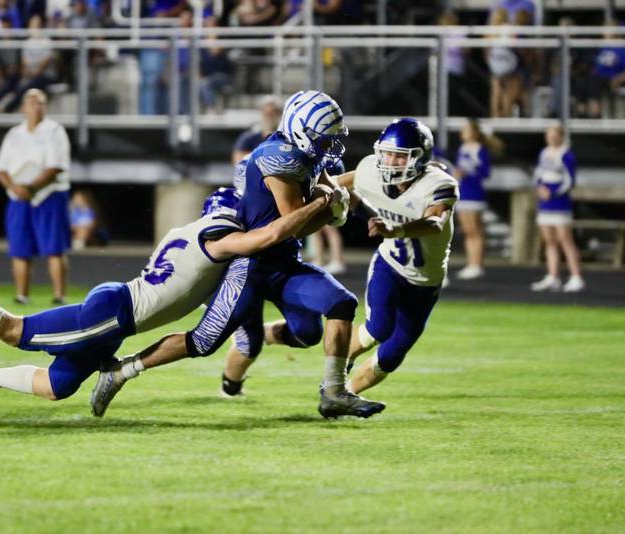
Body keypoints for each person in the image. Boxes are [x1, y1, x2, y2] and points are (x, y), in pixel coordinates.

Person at [0, 188, 331, 411]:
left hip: (118, 309)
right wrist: (319, 205)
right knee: (16, 332)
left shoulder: (191, 229)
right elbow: (263, 238)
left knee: (58, 387)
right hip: (114, 315)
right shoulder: (220, 237)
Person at [91, 91, 386, 420]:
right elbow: (293, 224)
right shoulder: (279, 158)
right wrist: (331, 208)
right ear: (303, 131)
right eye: (324, 139)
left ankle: (333, 392)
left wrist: (364, 212)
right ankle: (121, 371)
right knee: (203, 341)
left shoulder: (305, 154)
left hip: (283, 262)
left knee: (328, 315)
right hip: (250, 266)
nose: (329, 147)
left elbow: (331, 188)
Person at [337, 118, 458, 402]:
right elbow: (332, 185)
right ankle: (333, 380)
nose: (391, 161)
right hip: (390, 266)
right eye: (387, 153)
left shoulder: (439, 184)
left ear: (419, 157)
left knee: (390, 357)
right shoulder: (369, 170)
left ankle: (348, 395)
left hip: (426, 283)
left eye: (400, 155)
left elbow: (435, 223)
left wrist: (396, 229)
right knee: (378, 327)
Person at [0, 89, 71, 305]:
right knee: (20, 248)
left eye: (40, 102)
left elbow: (55, 166)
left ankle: (59, 295)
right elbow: (1, 169)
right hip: (18, 196)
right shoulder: (14, 134)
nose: (36, 107)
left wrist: (31, 187)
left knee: (54, 248)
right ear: (23, 107)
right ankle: (22, 295)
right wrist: (15, 188)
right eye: (31, 102)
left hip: (48, 194)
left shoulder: (55, 131)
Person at [530, 124, 584, 293]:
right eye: (549, 134)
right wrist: (539, 188)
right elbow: (538, 174)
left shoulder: (567, 154)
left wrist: (552, 193)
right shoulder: (544, 153)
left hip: (560, 202)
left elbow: (569, 181)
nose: (552, 137)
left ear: (561, 136)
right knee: (549, 240)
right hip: (545, 202)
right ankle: (553, 276)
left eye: (555, 134)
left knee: (565, 240)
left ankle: (576, 276)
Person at [454, 119, 492, 280]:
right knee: (468, 231)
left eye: (466, 130)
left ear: (474, 133)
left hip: (474, 194)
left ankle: (477, 264)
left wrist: (468, 171)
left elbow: (485, 172)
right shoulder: (462, 149)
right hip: (463, 192)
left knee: (475, 230)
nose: (463, 132)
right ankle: (471, 263)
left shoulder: (480, 149)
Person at [231, 95, 282, 165]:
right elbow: (238, 161)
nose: (270, 117)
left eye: (273, 113)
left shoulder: (285, 138)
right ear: (262, 112)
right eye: (267, 113)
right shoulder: (249, 137)